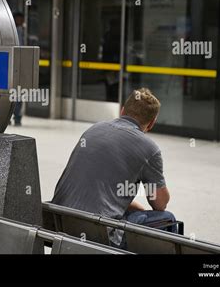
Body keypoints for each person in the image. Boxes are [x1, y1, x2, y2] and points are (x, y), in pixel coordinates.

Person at [51, 88, 176, 246]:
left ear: (122, 110)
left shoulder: (93, 129)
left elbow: (101, 190)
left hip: (60, 222)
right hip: (100, 234)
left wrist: (135, 208)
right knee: (168, 219)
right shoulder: (149, 149)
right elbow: (160, 203)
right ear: (151, 124)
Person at [12, 11, 25, 126]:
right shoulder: (11, 32)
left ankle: (17, 116)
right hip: (11, 66)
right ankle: (12, 114)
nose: (21, 21)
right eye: (19, 19)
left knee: (20, 92)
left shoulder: (24, 32)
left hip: (21, 66)